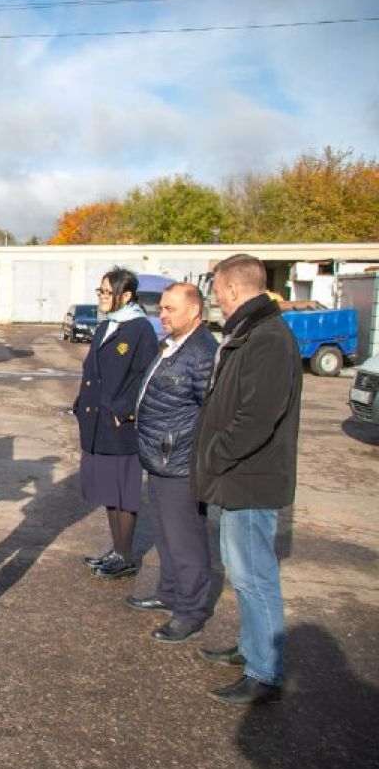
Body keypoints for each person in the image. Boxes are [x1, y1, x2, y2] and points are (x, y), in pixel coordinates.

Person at [192, 254, 302, 706]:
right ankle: (250, 648)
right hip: (238, 477)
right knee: (242, 571)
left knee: (255, 575)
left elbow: (256, 418)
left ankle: (264, 672)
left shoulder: (269, 339)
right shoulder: (253, 332)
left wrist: (214, 454)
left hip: (251, 478)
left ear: (234, 290)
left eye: (217, 289)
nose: (215, 297)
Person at [129, 283, 217, 643]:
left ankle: (191, 611)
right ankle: (168, 591)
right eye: (161, 308)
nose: (162, 315)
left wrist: (182, 449)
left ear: (195, 311)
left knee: (185, 540)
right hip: (160, 458)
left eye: (171, 309)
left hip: (180, 462)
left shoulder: (202, 352)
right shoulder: (174, 345)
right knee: (165, 534)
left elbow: (208, 411)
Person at [74, 267, 157, 579]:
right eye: (101, 291)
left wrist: (125, 410)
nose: (102, 298)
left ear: (126, 295)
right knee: (109, 490)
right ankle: (116, 548)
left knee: (124, 492)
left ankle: (126, 555)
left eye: (108, 293)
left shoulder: (140, 329)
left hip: (120, 424)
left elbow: (147, 377)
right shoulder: (107, 324)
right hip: (97, 421)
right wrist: (81, 404)